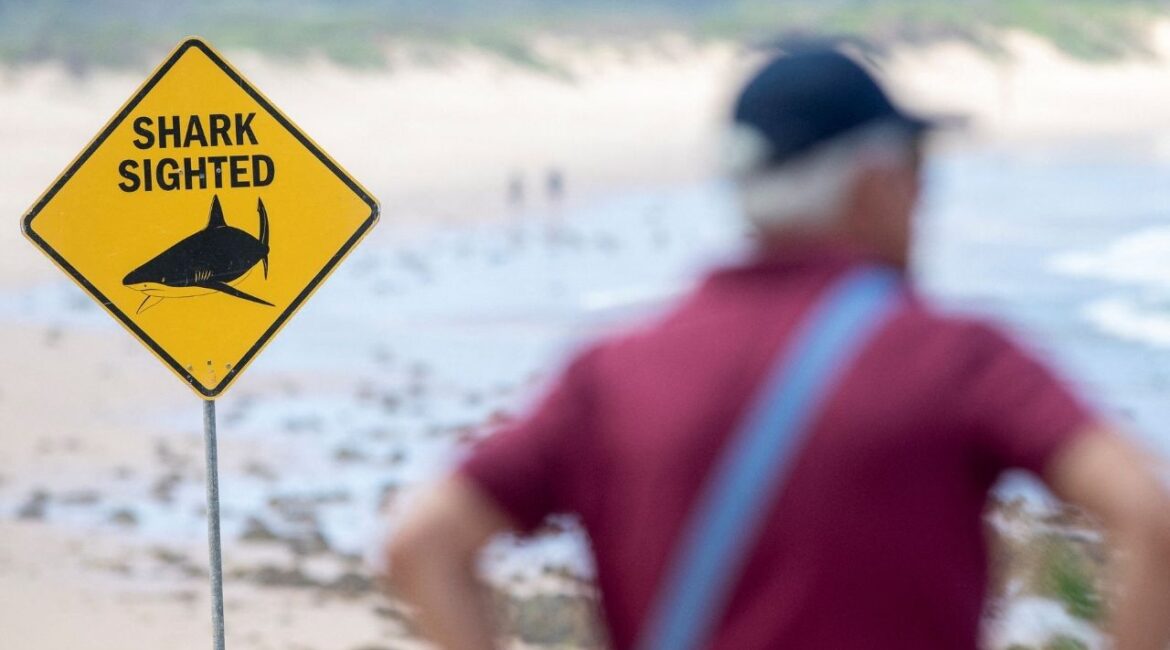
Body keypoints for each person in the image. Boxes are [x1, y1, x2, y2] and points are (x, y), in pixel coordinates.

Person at [381, 49, 1170, 650]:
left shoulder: (611, 373)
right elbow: (1145, 513)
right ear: (873, 186)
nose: (924, 198)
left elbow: (424, 541)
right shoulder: (955, 360)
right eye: (917, 171)